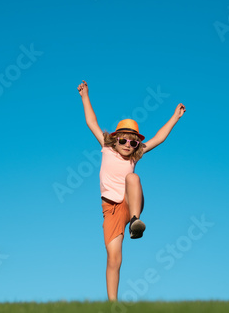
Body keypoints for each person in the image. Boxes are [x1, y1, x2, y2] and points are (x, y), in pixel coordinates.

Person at [77, 80, 186, 301]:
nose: (129, 145)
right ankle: (112, 303)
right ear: (115, 139)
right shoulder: (106, 148)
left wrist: (175, 117)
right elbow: (91, 122)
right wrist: (85, 96)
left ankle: (136, 221)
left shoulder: (135, 157)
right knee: (114, 258)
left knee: (133, 177)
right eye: (124, 140)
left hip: (130, 203)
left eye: (134, 143)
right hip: (111, 210)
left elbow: (159, 138)